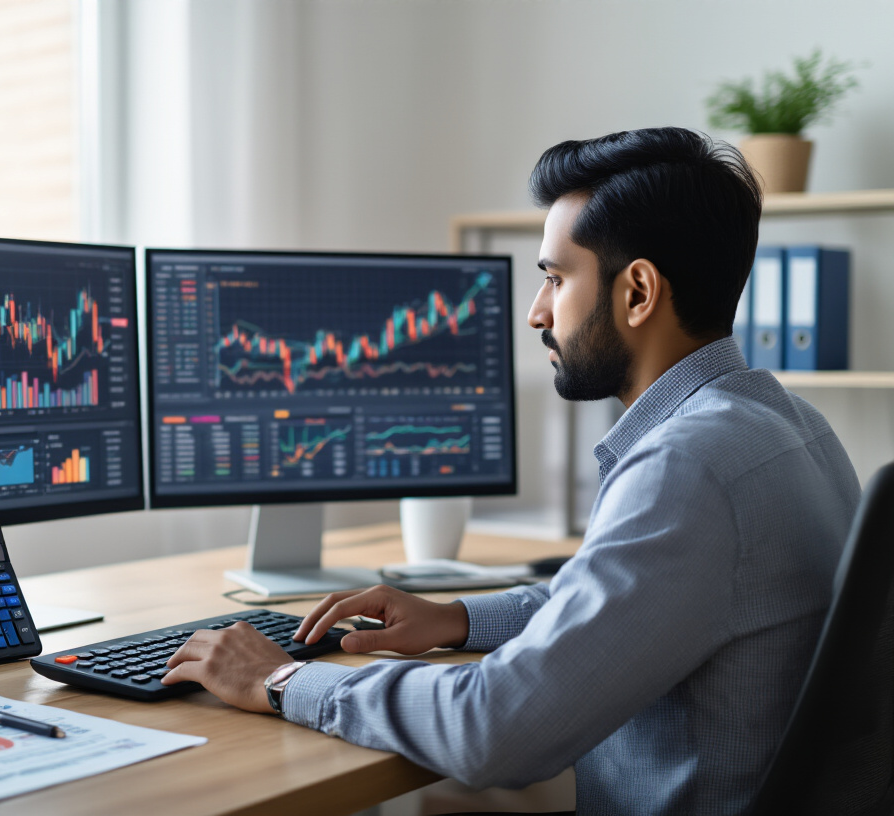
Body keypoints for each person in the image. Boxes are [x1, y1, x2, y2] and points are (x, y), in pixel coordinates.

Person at [161, 127, 861, 815]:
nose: (536, 313)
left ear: (638, 292)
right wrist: (457, 618)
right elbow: (619, 606)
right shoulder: (790, 427)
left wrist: (283, 679)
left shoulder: (687, 469)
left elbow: (494, 730)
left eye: (556, 279)